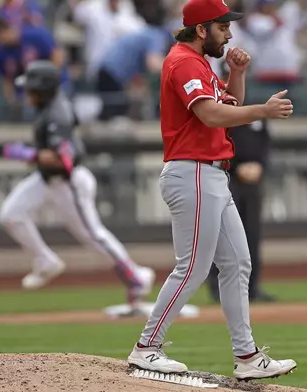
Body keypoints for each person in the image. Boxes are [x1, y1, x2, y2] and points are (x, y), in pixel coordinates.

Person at [126, 0, 297, 380]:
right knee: (194, 267)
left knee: (237, 263)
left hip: (211, 174)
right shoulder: (184, 61)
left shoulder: (201, 63)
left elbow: (227, 107)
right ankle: (146, 347)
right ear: (202, 29)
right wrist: (263, 111)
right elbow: (210, 114)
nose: (230, 33)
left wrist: (237, 72)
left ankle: (247, 357)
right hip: (194, 172)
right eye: (222, 26)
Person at [0, 60, 155, 312]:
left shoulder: (57, 114)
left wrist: (27, 154)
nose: (26, 94)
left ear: (43, 89)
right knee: (11, 214)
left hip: (69, 184)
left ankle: (137, 276)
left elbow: (63, 159)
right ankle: (45, 260)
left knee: (93, 236)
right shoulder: (49, 107)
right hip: (46, 178)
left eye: (31, 89)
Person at [207, 64, 274, 303]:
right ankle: (218, 289)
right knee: (221, 234)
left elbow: (266, 143)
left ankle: (252, 288)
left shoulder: (255, 109)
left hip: (253, 180)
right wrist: (236, 167)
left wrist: (260, 166)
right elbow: (213, 145)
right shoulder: (214, 109)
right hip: (226, 178)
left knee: (251, 235)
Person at [0, 17, 70, 107]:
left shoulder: (35, 35)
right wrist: (10, 101)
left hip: (55, 86)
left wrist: (51, 80)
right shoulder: (0, 50)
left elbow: (57, 55)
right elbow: (7, 79)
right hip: (28, 93)